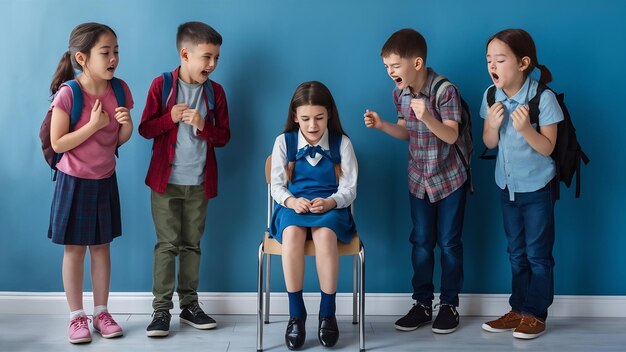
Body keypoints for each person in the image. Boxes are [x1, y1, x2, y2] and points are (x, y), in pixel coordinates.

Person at [363, 28, 471, 334]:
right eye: (386, 67)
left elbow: (450, 134)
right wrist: (383, 125)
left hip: (449, 179)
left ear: (417, 63)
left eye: (395, 66)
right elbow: (405, 131)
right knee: (422, 243)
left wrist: (427, 117)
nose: (390, 72)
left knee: (449, 243)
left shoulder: (445, 91)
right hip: (418, 179)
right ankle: (422, 303)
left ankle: (448, 304)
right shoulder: (400, 93)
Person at [138, 21, 230, 337]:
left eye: (217, 57)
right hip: (166, 183)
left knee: (192, 244)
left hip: (200, 182)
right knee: (167, 245)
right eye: (207, 57)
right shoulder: (161, 86)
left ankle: (190, 305)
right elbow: (146, 129)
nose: (213, 64)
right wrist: (170, 118)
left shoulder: (215, 92)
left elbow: (224, 137)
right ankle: (160, 312)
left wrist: (204, 124)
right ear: (185, 54)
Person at [48, 22, 133, 344]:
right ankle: (76, 317)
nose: (113, 58)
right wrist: (94, 125)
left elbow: (117, 142)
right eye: (105, 52)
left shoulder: (121, 90)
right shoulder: (69, 93)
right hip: (73, 180)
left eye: (116, 52)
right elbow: (58, 144)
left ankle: (101, 312)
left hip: (104, 178)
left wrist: (125, 126)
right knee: (74, 250)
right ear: (82, 58)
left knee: (101, 248)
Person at [480, 28, 563, 340]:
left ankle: (536, 314)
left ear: (524, 62)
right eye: (489, 60)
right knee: (515, 252)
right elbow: (489, 142)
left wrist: (526, 128)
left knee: (538, 254)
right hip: (507, 187)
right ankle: (518, 308)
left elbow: (548, 148)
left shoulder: (543, 97)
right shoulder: (491, 95)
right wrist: (491, 124)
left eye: (500, 59)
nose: (493, 66)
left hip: (537, 190)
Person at [270, 81, 357, 350]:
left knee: (325, 237)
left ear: (329, 114)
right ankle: (296, 314)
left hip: (330, 208)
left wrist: (331, 202)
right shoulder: (283, 142)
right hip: (292, 206)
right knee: (292, 236)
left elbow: (350, 187)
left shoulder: (342, 143)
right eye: (305, 118)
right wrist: (292, 201)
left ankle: (327, 313)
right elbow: (276, 185)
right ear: (295, 116)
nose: (312, 125)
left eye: (319, 118)